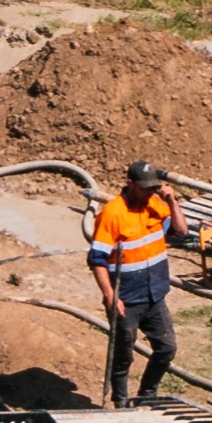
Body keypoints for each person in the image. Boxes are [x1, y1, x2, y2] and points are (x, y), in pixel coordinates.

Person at [88, 158, 179, 405]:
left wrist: (171, 201)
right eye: (145, 188)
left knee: (167, 348)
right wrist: (110, 295)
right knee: (123, 356)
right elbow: (97, 259)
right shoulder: (112, 213)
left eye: (153, 187)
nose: (150, 192)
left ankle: (146, 395)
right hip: (126, 299)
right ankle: (120, 400)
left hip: (154, 294)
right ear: (130, 184)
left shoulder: (155, 204)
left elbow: (180, 231)